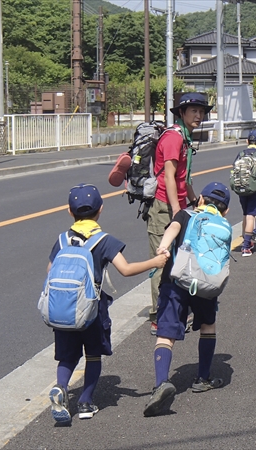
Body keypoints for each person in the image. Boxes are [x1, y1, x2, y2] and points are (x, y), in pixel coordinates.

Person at [47, 183, 168, 423]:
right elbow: (126, 269)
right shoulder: (103, 241)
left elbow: (50, 272)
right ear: (100, 210)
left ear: (70, 212)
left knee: (68, 357)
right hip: (92, 309)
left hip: (65, 311)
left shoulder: (61, 240)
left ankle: (61, 387)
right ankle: (85, 402)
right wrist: (155, 262)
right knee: (93, 355)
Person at [143, 182, 231, 417]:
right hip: (205, 285)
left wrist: (163, 247)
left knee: (165, 334)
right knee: (207, 325)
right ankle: (203, 378)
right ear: (226, 211)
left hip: (175, 281)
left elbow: (172, 228)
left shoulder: (185, 214)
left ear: (200, 199)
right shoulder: (223, 224)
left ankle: (161, 382)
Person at [146, 92, 213, 335]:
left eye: (201, 111)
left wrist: (194, 200)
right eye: (193, 110)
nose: (199, 115)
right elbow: (168, 176)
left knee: (180, 258)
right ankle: (158, 316)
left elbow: (184, 178)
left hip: (177, 204)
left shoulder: (185, 137)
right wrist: (177, 210)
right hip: (164, 206)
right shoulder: (174, 138)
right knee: (162, 259)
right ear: (182, 113)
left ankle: (175, 308)